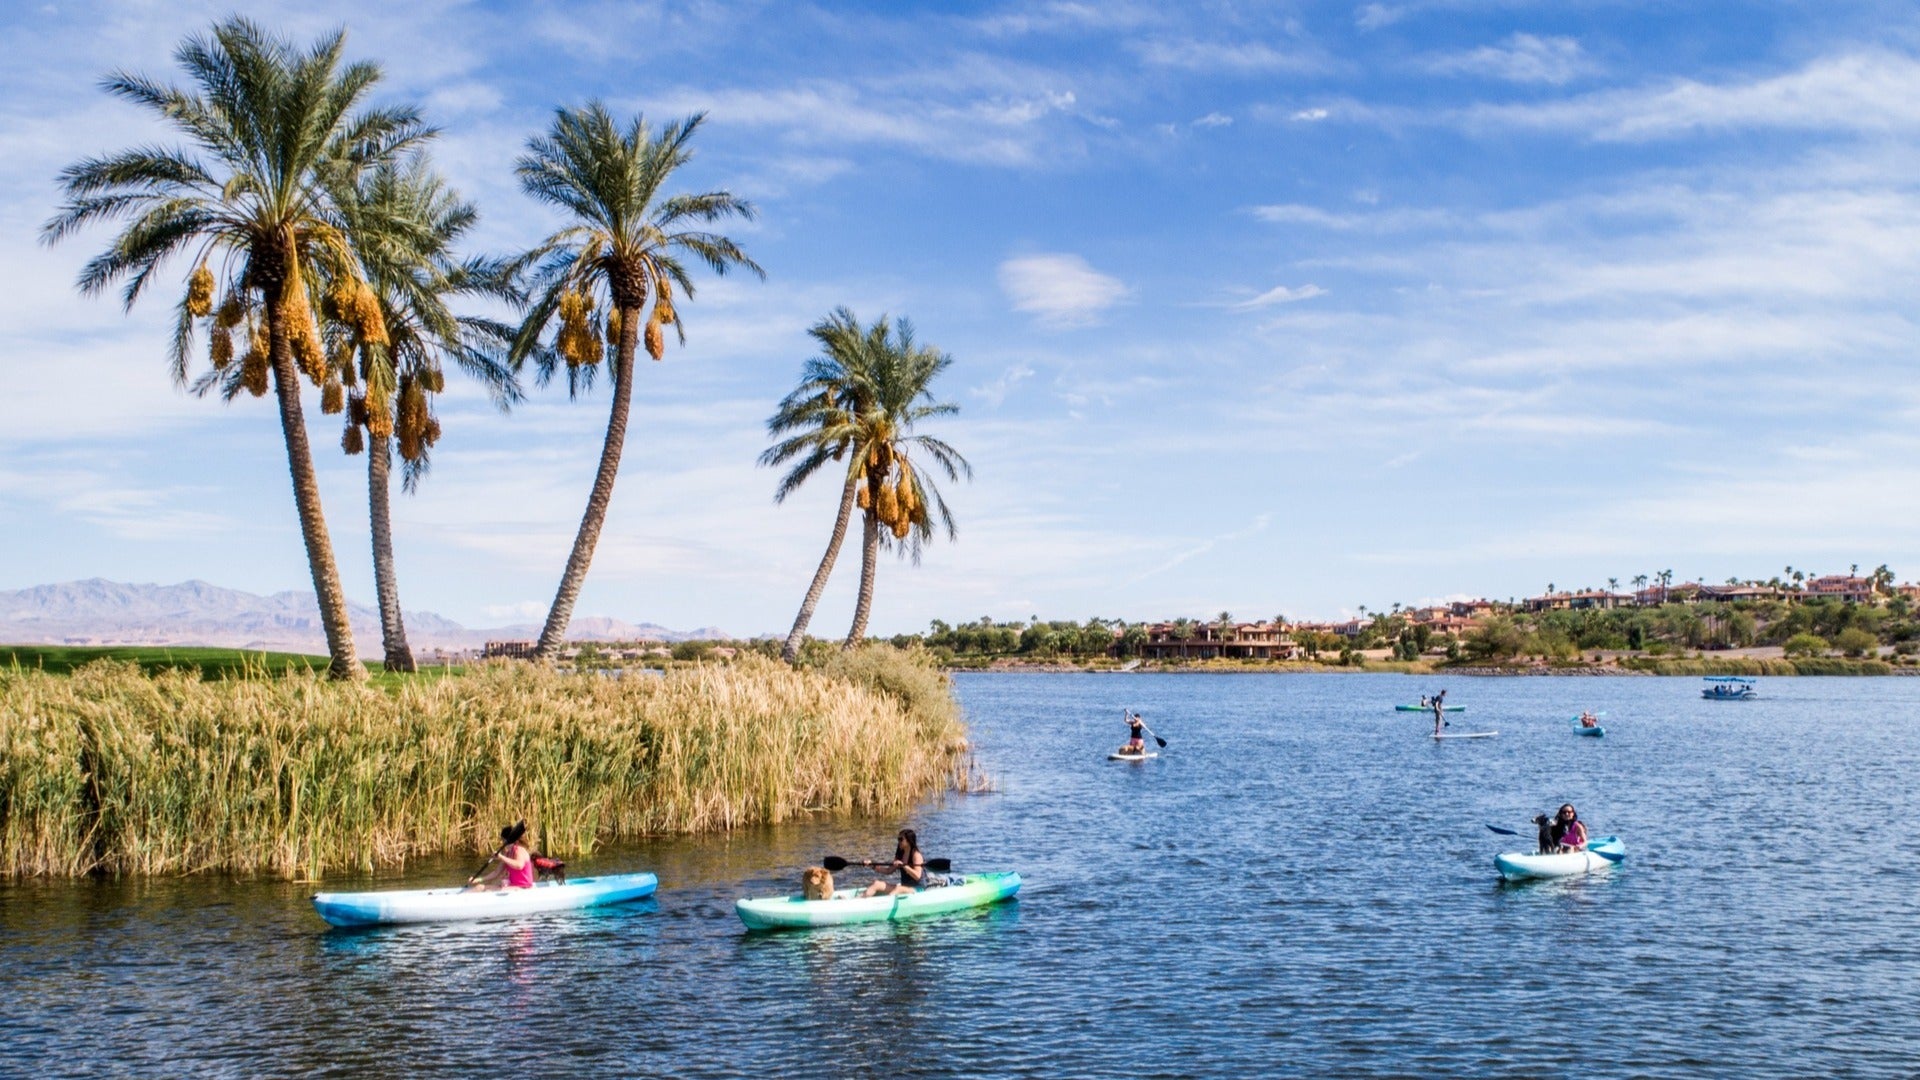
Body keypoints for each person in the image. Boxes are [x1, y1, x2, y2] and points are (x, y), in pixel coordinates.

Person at [468, 823, 536, 890]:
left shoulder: (519, 850)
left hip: (524, 887)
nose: (502, 843)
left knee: (490, 889)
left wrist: (501, 857)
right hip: (513, 886)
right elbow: (496, 872)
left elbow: (519, 865)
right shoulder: (508, 853)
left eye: (503, 840)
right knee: (479, 887)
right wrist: (478, 879)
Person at [861, 829, 926, 897]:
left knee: (899, 889)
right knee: (876, 884)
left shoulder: (916, 855)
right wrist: (872, 865)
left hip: (918, 888)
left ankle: (885, 904)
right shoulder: (900, 854)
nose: (899, 841)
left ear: (909, 841)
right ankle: (859, 901)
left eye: (901, 839)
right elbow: (888, 871)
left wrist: (904, 866)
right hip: (904, 887)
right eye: (898, 839)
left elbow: (917, 876)